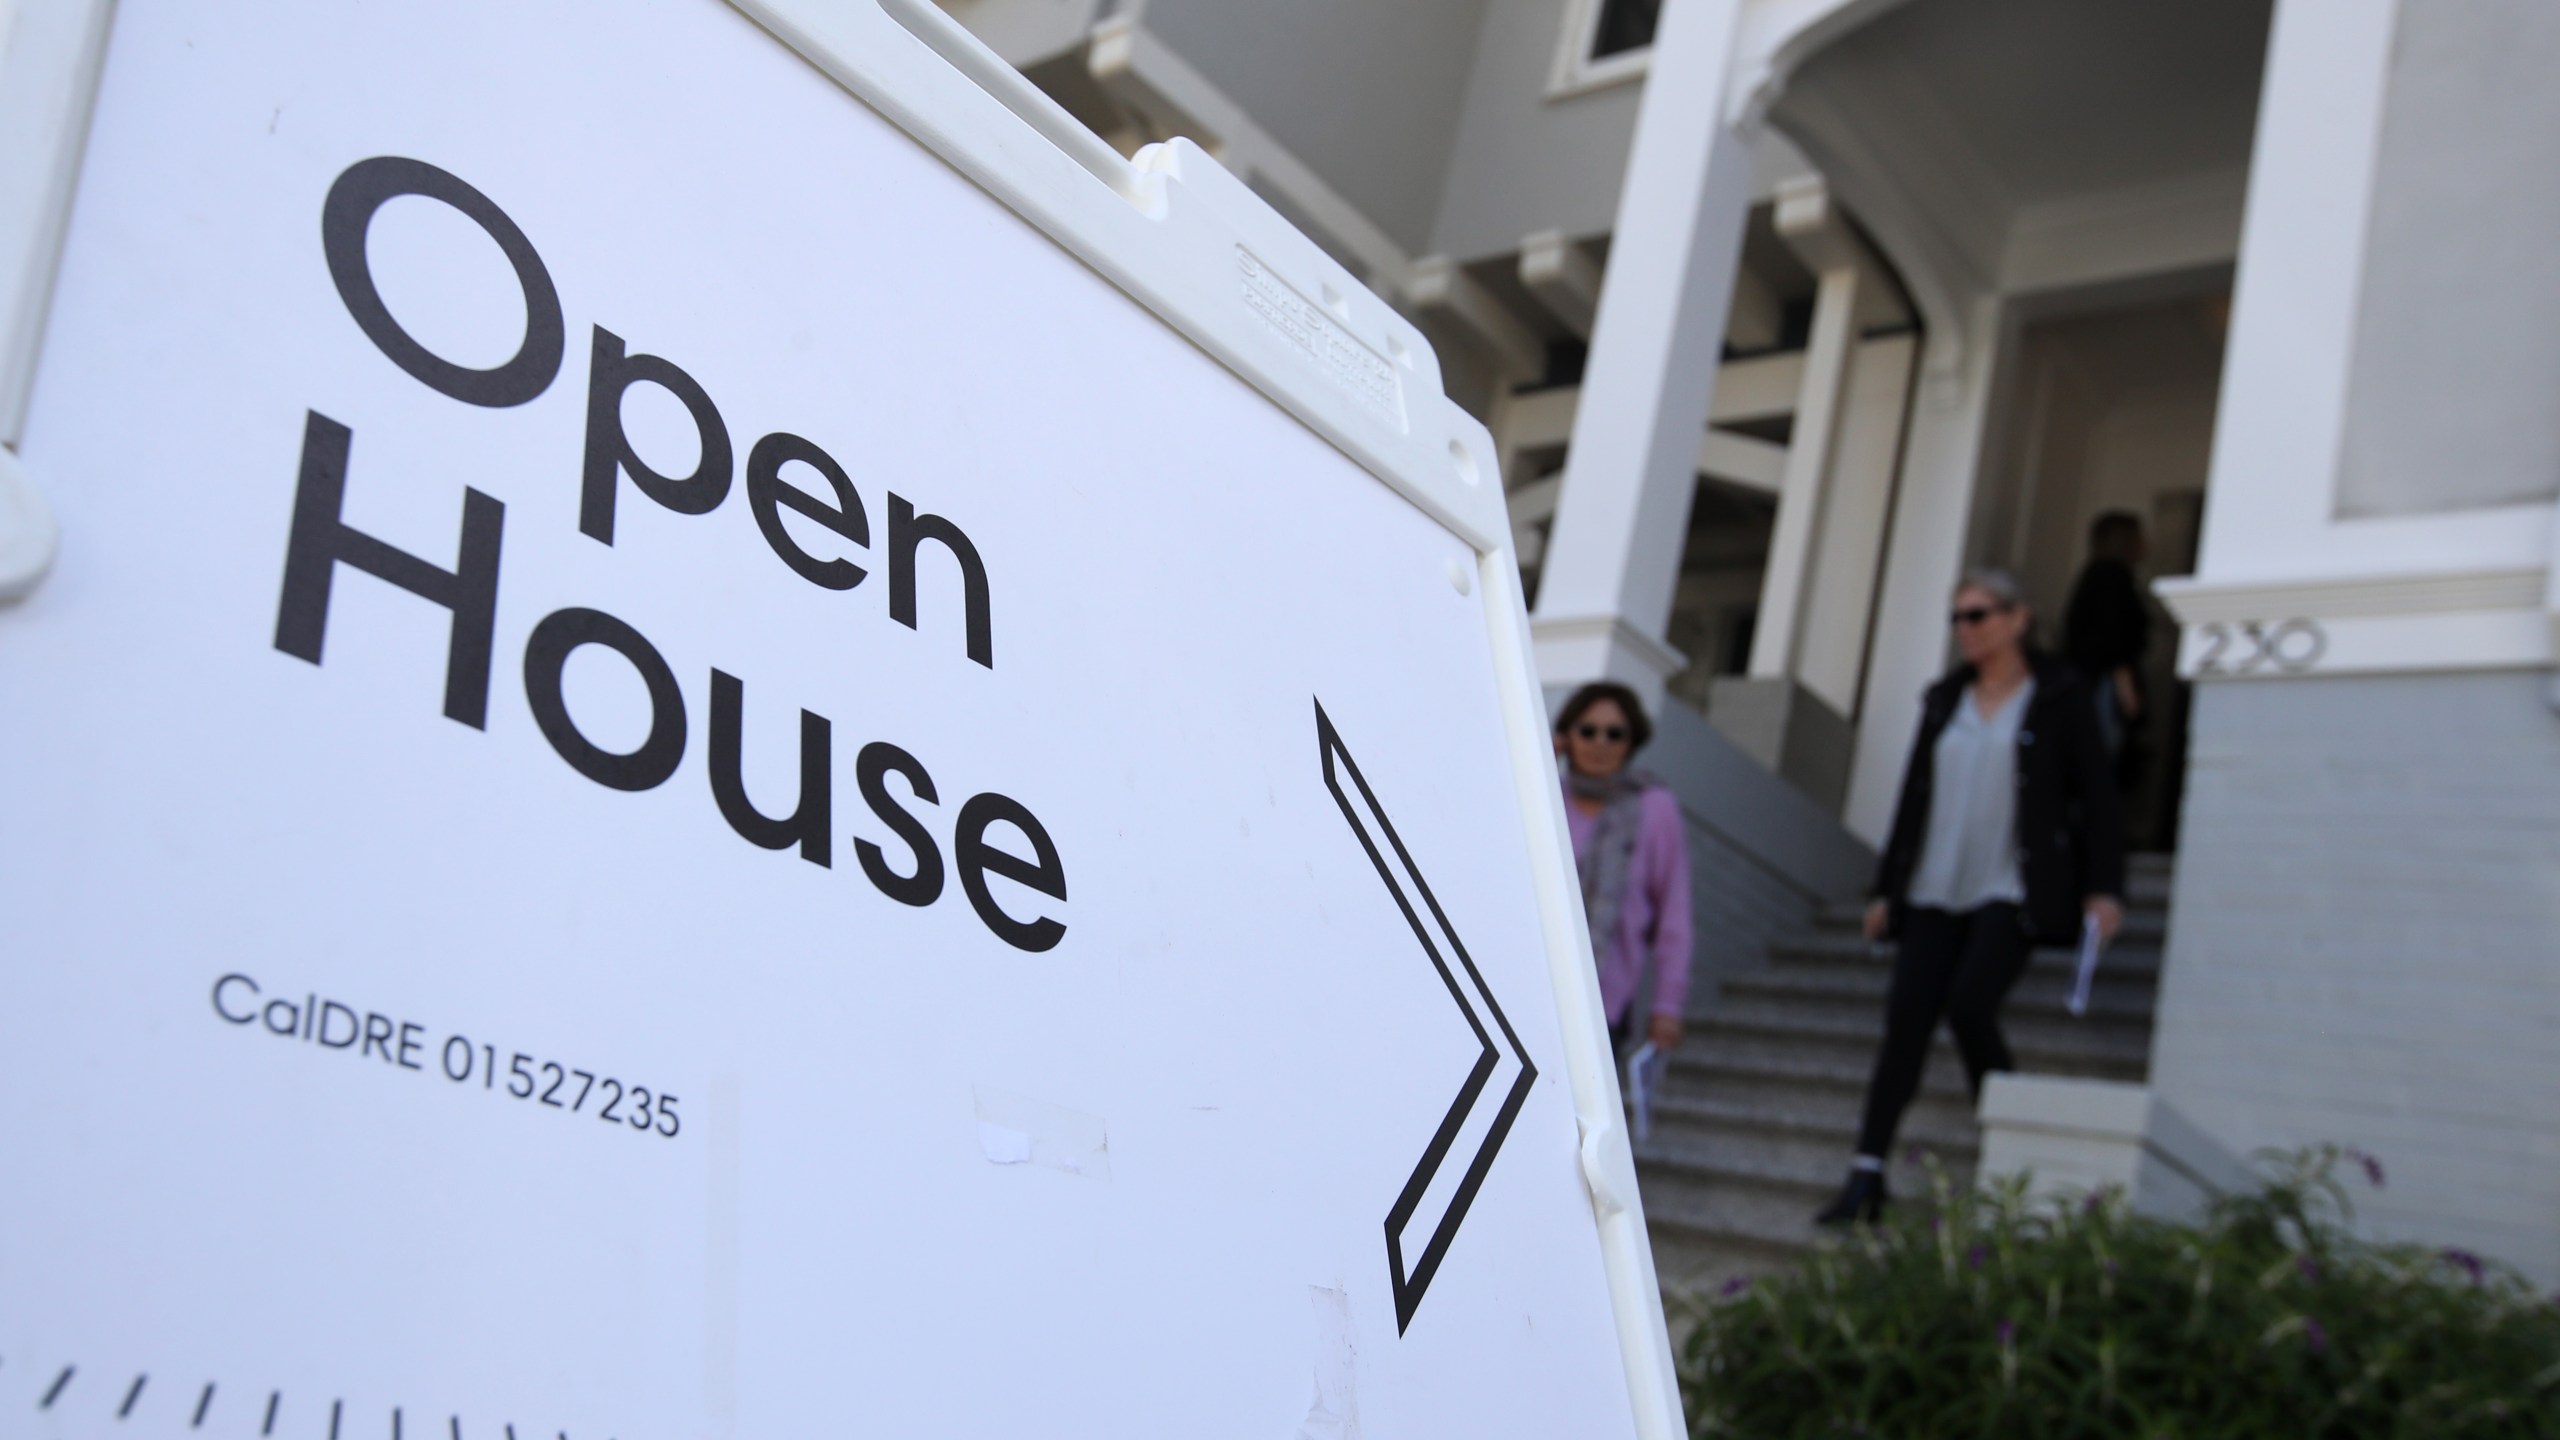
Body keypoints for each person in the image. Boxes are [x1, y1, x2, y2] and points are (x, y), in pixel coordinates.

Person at [1814, 569, 2124, 1225]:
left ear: (2018, 619)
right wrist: (1886, 890)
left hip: (2010, 885)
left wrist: (2104, 888)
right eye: (1957, 618)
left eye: (1978, 615)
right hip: (1932, 886)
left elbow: (2097, 797)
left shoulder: (2059, 697)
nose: (1965, 630)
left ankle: (2008, 1150)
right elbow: (1913, 797)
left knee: (1970, 1004)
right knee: (1905, 1025)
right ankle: (1865, 1175)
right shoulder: (1943, 699)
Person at [1553, 682, 1693, 1056]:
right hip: (1527, 986)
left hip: (1604, 1005)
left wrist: (1667, 1006)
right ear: (1566, 735)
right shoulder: (1544, 796)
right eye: (1587, 730)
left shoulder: (1654, 808)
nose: (1600, 742)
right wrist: (1539, 760)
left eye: (1614, 733)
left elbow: (1673, 917)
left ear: (1631, 742)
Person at [2063, 511, 2150, 764]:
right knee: (2096, 758)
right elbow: (2112, 634)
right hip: (2102, 682)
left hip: (2091, 679)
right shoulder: (2111, 576)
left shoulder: (2096, 574)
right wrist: (2125, 685)